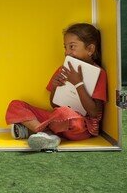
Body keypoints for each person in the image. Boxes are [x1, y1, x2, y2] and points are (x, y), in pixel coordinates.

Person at [6, 23, 107, 152]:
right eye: (65, 47)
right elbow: (54, 104)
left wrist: (78, 84)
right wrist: (55, 87)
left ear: (90, 49)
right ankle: (45, 135)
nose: (67, 52)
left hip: (81, 126)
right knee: (16, 105)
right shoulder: (63, 68)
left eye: (72, 47)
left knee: (63, 112)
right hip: (58, 121)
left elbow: (94, 113)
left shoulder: (99, 73)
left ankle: (41, 132)